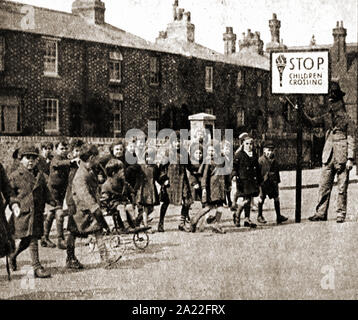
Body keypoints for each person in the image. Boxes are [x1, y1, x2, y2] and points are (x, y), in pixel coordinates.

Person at [302, 82, 356, 223]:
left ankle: (340, 214)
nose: (331, 105)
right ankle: (320, 213)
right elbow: (313, 122)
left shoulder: (347, 119)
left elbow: (351, 138)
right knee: (323, 186)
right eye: (330, 102)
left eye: (334, 102)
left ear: (340, 103)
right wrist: (301, 112)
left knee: (342, 188)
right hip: (328, 155)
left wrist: (351, 158)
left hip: (342, 156)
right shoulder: (327, 117)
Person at [8, 145, 56, 278]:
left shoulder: (40, 175)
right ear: (20, 159)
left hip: (37, 212)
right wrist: (14, 204)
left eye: (34, 158)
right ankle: (36, 266)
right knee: (31, 238)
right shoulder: (15, 175)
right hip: (23, 213)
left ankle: (13, 255)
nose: (31, 161)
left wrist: (51, 201)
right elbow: (10, 194)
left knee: (29, 239)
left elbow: (45, 191)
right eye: (27, 158)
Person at [67, 144, 111, 269]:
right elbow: (86, 198)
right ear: (92, 158)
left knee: (96, 232)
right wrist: (102, 219)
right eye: (97, 157)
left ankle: (105, 258)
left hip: (85, 208)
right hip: (80, 209)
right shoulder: (80, 176)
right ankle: (70, 259)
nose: (98, 160)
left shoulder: (88, 169)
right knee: (74, 232)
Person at [190, 142, 226, 234]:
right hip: (212, 188)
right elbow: (204, 176)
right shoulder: (208, 162)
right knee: (208, 207)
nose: (211, 152)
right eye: (209, 150)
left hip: (220, 187)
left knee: (220, 207)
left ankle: (216, 225)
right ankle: (194, 220)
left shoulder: (222, 160)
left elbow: (226, 174)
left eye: (213, 150)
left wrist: (228, 184)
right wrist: (204, 188)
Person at [42, 139, 71, 249]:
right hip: (52, 191)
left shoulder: (66, 159)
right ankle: (60, 239)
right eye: (61, 149)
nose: (64, 151)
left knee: (50, 214)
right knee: (59, 214)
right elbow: (58, 164)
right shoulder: (55, 159)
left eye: (65, 149)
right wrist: (71, 162)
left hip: (61, 191)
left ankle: (44, 237)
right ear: (56, 150)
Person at [166, 131, 198, 231]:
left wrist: (199, 167)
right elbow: (162, 168)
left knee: (187, 201)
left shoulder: (184, 153)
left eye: (179, 141)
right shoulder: (168, 153)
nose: (177, 144)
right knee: (165, 202)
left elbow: (189, 167)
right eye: (175, 142)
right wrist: (163, 179)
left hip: (182, 181)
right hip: (171, 181)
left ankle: (181, 223)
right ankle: (160, 223)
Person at [232, 135, 263, 228]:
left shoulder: (254, 154)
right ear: (242, 144)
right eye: (247, 144)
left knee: (249, 200)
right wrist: (234, 175)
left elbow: (257, 168)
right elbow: (234, 167)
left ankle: (246, 218)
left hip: (252, 180)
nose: (249, 146)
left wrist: (259, 179)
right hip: (243, 180)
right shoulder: (239, 155)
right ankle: (237, 215)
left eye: (251, 144)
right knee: (245, 199)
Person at [136, 148, 168, 230]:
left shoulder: (155, 167)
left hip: (152, 189)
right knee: (145, 208)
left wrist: (163, 182)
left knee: (151, 208)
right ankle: (145, 225)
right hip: (143, 189)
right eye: (147, 157)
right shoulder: (141, 167)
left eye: (151, 157)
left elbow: (158, 177)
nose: (149, 159)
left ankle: (138, 220)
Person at [100, 159, 136, 233]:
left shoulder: (123, 183)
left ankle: (134, 223)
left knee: (129, 206)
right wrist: (104, 207)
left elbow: (131, 190)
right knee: (121, 207)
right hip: (113, 204)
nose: (123, 173)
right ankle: (126, 226)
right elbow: (104, 197)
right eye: (121, 172)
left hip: (123, 201)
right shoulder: (107, 185)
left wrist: (132, 196)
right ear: (114, 173)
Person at [257, 141, 288, 225]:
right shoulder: (261, 160)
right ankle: (259, 215)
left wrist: (277, 181)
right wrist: (259, 183)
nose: (270, 152)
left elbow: (277, 172)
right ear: (264, 150)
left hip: (273, 182)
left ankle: (278, 216)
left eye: (271, 150)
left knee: (276, 198)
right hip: (264, 182)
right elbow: (258, 173)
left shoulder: (274, 160)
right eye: (268, 150)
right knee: (261, 198)